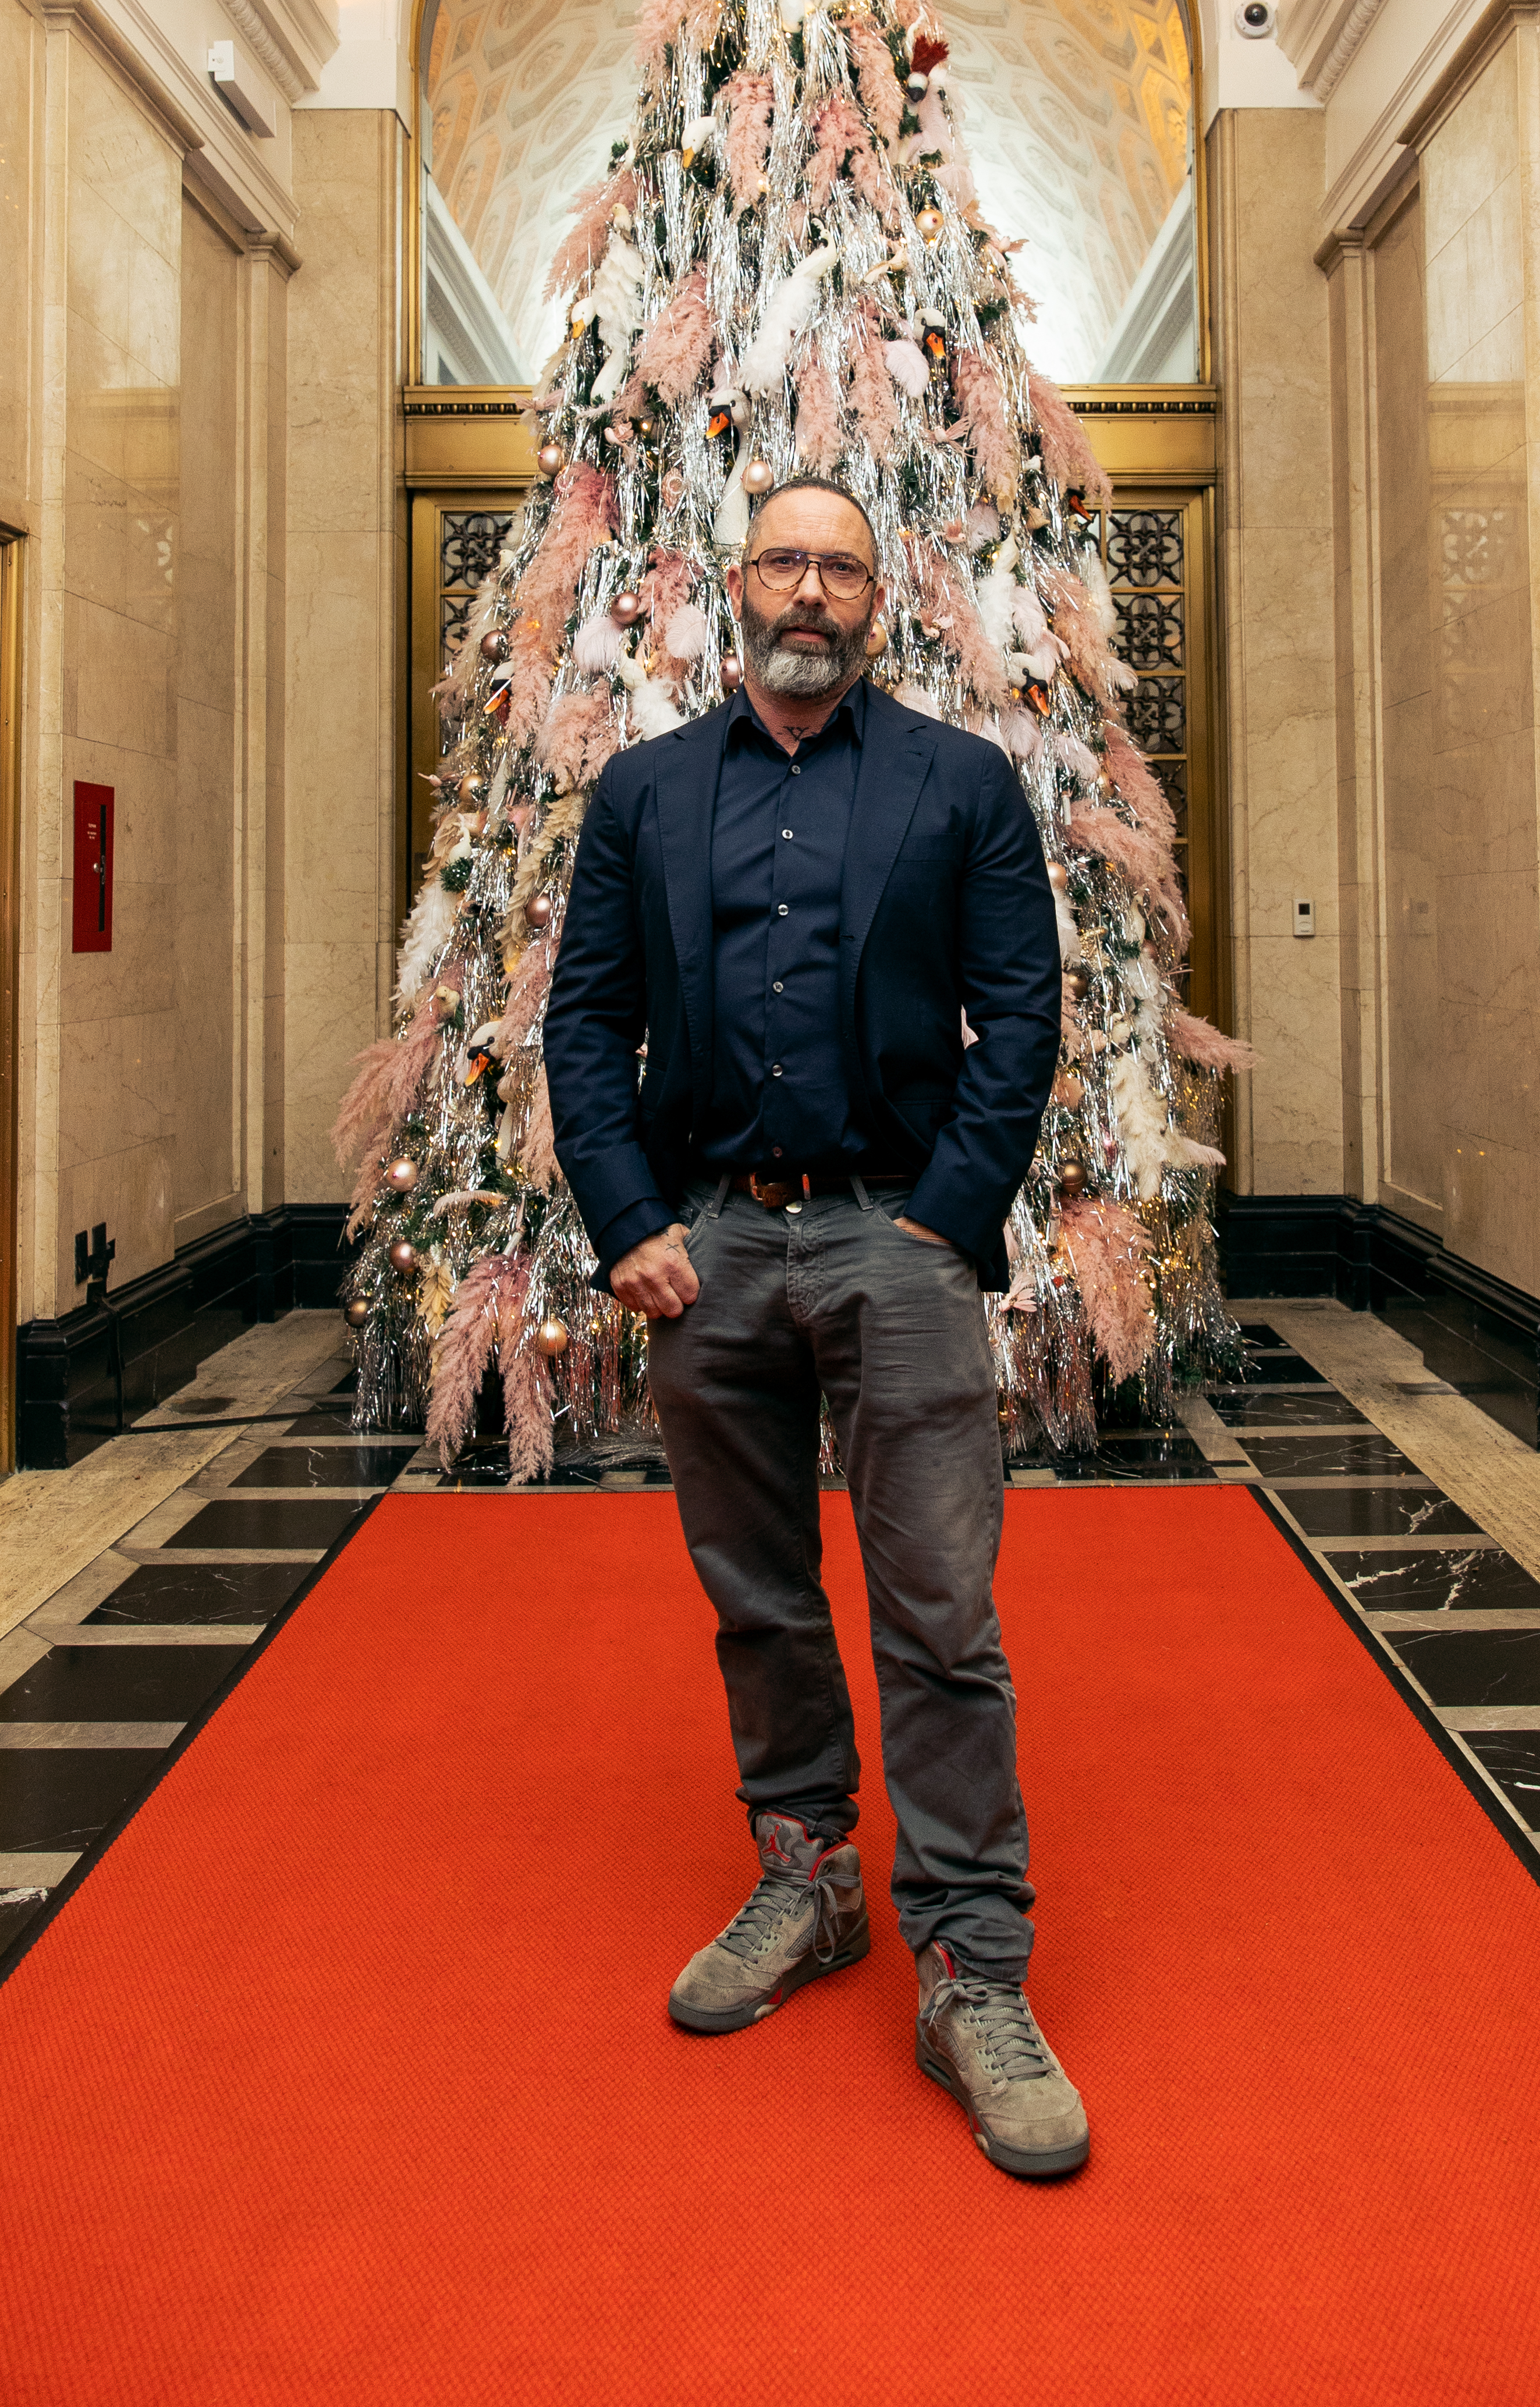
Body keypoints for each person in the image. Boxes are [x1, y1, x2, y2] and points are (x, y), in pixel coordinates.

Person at [543, 473, 1087, 2179]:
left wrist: (943, 1222)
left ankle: (973, 1969)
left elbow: (1024, 1018)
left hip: (895, 1240)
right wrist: (629, 1221)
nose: (811, 589)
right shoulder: (644, 793)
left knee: (939, 1603)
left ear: (878, 598)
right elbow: (586, 1021)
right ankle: (808, 1879)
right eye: (783, 558)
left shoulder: (960, 783)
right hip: (711, 1250)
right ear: (732, 585)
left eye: (841, 565)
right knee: (759, 1593)